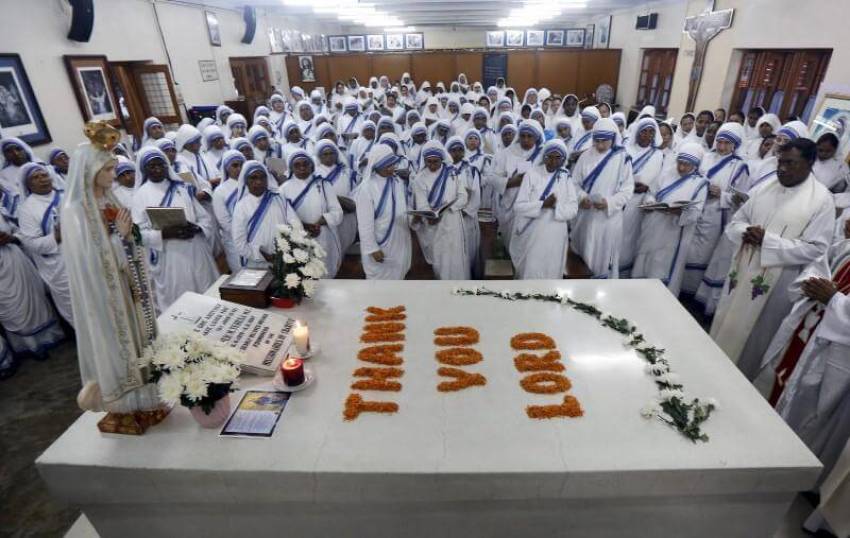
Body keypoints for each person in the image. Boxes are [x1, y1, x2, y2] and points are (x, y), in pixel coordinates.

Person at [60, 122, 164, 412]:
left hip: (126, 282)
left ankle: (147, 377)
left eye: (113, 168)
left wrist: (128, 236)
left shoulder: (109, 197)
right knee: (117, 340)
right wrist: (119, 238)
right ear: (89, 172)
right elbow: (89, 261)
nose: (113, 174)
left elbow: (132, 238)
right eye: (107, 170)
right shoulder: (75, 211)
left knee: (138, 334)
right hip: (104, 292)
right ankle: (124, 390)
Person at [710, 138, 835, 376]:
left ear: (809, 163)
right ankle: (712, 369)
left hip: (777, 284)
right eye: (781, 162)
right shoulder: (765, 187)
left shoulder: (821, 200)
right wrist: (745, 232)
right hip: (743, 269)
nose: (783, 168)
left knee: (754, 338)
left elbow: (816, 248)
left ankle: (739, 384)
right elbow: (738, 220)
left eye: (791, 163)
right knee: (726, 323)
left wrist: (767, 241)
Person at [754, 223, 850, 486]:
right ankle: (761, 435)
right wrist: (811, 282)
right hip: (808, 325)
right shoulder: (845, 246)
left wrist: (835, 300)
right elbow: (818, 264)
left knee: (808, 404)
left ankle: (786, 465)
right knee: (781, 375)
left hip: (836, 349)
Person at [132, 146, 219, 312]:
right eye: (152, 166)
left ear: (167, 166)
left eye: (161, 164)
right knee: (183, 301)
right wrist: (164, 233)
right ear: (144, 169)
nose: (158, 169)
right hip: (170, 255)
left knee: (208, 293)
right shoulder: (140, 195)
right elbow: (137, 234)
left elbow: (204, 217)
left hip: (195, 248)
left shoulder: (182, 188)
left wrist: (197, 228)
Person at [0, 192, 64, 377]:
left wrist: (12, 238)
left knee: (32, 299)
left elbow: (22, 230)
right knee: (11, 307)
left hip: (14, 259)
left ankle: (50, 338)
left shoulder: (4, 207)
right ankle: (29, 347)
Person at [632, 143, 710, 295]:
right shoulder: (667, 173)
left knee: (662, 267)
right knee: (645, 261)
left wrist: (678, 212)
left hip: (674, 234)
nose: (681, 168)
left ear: (695, 165)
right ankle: (637, 292)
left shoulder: (700, 184)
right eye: (680, 163)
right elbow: (652, 192)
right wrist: (649, 201)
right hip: (653, 225)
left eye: (686, 165)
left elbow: (696, 213)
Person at [681, 123, 749, 296]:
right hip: (696, 208)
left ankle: (693, 290)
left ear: (735, 145)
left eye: (727, 143)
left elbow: (742, 198)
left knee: (702, 253)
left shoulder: (740, 166)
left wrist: (722, 194)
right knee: (686, 246)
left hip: (716, 214)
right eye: (720, 141)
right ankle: (679, 284)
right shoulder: (706, 157)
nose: (722, 146)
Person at [571, 117, 635, 279]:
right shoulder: (585, 156)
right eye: (597, 141)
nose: (600, 145)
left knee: (603, 258)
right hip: (585, 216)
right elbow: (574, 183)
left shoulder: (622, 159)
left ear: (613, 138)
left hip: (608, 219)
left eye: (604, 141)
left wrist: (609, 203)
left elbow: (628, 190)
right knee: (582, 255)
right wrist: (582, 197)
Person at [509, 139, 578, 279]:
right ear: (544, 157)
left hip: (556, 234)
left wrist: (555, 206)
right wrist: (542, 205)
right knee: (532, 270)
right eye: (549, 157)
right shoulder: (532, 174)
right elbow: (519, 206)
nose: (553, 161)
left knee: (552, 270)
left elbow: (573, 209)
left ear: (563, 159)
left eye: (557, 157)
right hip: (533, 233)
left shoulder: (565, 177)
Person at [17, 162, 74, 326]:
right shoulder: (27, 209)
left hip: (84, 256)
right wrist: (56, 237)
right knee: (77, 310)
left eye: (44, 175)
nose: (42, 179)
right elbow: (31, 244)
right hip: (60, 267)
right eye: (35, 177)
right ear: (28, 184)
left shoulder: (67, 195)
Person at [411, 141, 469, 280]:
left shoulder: (453, 173)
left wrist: (448, 208)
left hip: (453, 222)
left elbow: (463, 197)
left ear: (442, 159)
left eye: (435, 162)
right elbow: (422, 204)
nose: (432, 165)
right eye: (428, 162)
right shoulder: (419, 179)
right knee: (440, 262)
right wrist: (430, 216)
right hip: (433, 226)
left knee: (456, 259)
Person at [280, 150, 343, 278]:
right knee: (304, 277)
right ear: (291, 168)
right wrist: (304, 227)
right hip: (299, 240)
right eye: (297, 165)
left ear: (311, 165)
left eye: (305, 164)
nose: (302, 168)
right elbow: (282, 219)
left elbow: (338, 212)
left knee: (326, 274)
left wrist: (320, 222)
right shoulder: (283, 189)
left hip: (324, 237)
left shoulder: (324, 185)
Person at [355, 144, 412, 280]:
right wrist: (372, 248)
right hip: (379, 242)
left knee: (398, 277)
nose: (391, 168)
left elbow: (403, 209)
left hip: (399, 238)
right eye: (387, 165)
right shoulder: (366, 188)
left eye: (392, 164)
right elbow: (364, 224)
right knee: (378, 285)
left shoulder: (398, 182)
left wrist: (414, 219)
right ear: (376, 165)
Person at [231, 160, 301, 269]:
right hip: (256, 264)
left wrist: (292, 248)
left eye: (262, 177)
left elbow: (296, 224)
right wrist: (264, 256)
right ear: (246, 181)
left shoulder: (279, 198)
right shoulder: (241, 207)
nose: (258, 182)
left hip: (284, 260)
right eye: (253, 178)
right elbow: (239, 243)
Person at [619, 117, 665, 277]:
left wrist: (648, 187)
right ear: (637, 132)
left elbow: (658, 180)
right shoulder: (625, 149)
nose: (647, 135)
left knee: (630, 237)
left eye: (651, 132)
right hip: (620, 197)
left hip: (639, 201)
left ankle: (623, 271)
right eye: (644, 131)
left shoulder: (658, 155)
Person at [492, 120, 544, 251]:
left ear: (536, 137)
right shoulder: (507, 153)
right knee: (509, 244)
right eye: (523, 136)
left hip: (532, 205)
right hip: (510, 205)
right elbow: (493, 178)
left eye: (530, 136)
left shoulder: (543, 155)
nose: (525, 140)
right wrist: (511, 182)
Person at [314, 139, 358, 255]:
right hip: (325, 220)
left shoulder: (348, 173)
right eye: (325, 154)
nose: (329, 156)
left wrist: (335, 199)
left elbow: (355, 199)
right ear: (320, 156)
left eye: (331, 153)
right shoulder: (314, 174)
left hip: (347, 218)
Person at [447, 136, 480, 277]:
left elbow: (476, 194)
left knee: (469, 250)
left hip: (467, 217)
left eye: (460, 149)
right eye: (453, 150)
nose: (457, 153)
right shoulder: (444, 171)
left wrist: (466, 211)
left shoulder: (471, 170)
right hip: (450, 217)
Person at [211, 149, 246, 272]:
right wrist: (243, 233)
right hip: (234, 240)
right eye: (235, 165)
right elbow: (224, 221)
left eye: (242, 165)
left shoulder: (251, 184)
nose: (239, 168)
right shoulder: (220, 191)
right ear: (226, 168)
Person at [813, 133, 850, 201]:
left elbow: (840, 192)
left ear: (835, 150)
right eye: (820, 150)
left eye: (828, 151)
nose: (823, 154)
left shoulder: (841, 167)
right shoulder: (810, 157)